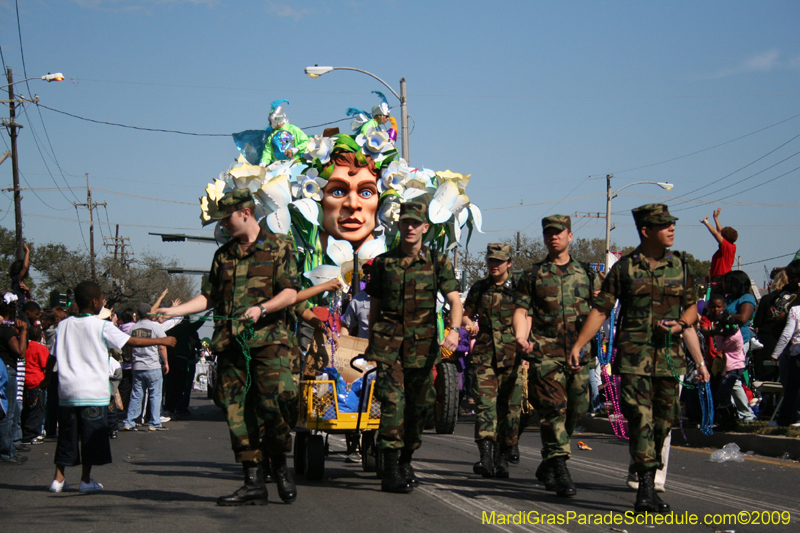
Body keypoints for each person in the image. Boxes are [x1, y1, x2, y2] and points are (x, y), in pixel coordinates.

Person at [157, 188, 300, 506]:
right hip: (232, 345)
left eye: (227, 217)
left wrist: (262, 309)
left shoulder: (279, 247)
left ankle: (278, 467)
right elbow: (210, 297)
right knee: (237, 414)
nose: (223, 224)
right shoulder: (223, 255)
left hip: (270, 345)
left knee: (273, 408)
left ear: (246, 213)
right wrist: (175, 311)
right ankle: (252, 482)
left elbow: (290, 292)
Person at [569, 204, 700, 514]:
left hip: (669, 359)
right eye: (664, 225)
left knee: (663, 423)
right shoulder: (625, 269)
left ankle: (649, 476)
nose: (671, 229)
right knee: (641, 419)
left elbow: (692, 308)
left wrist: (681, 324)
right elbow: (601, 310)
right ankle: (645, 486)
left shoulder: (681, 267)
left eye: (672, 224)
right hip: (635, 359)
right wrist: (579, 344)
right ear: (645, 231)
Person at [366, 201, 462, 493]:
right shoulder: (383, 263)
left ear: (425, 228)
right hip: (389, 346)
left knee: (419, 407)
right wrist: (372, 340)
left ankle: (406, 458)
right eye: (404, 222)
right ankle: (391, 470)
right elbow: (375, 306)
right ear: (398, 225)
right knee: (393, 404)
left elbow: (454, 300)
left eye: (415, 223)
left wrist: (455, 330)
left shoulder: (438, 262)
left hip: (423, 348)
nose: (409, 227)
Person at [50, 281, 176, 492]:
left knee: (67, 435)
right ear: (94, 301)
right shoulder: (102, 326)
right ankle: (85, 479)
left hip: (67, 391)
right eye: (101, 299)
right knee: (90, 437)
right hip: (93, 393)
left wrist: (47, 380)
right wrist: (161, 340)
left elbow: (51, 356)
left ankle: (58, 478)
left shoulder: (63, 325)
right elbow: (130, 341)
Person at [513, 215, 600, 497]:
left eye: (559, 232)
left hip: (579, 353)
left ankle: (549, 461)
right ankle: (560, 467)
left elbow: (599, 311)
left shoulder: (587, 273)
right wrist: (521, 336)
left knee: (577, 407)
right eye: (548, 233)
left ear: (570, 236)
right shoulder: (533, 274)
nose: (554, 237)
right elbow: (522, 311)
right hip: (545, 353)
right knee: (552, 408)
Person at [462, 243, 521, 480]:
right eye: (490, 261)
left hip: (512, 354)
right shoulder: (479, 287)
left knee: (509, 409)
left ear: (509, 263)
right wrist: (468, 324)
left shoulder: (518, 288)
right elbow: (467, 313)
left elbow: (528, 317)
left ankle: (502, 456)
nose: (494, 265)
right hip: (486, 352)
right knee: (486, 406)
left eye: (499, 261)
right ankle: (485, 457)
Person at [122, 303, 176, 432]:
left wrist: (133, 361)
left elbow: (130, 346)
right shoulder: (155, 327)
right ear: (150, 314)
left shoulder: (133, 329)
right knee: (155, 395)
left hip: (138, 365)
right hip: (152, 365)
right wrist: (166, 363)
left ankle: (129, 421)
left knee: (136, 394)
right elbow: (162, 346)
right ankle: (154, 423)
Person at [706, 294, 747, 430]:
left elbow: (720, 346)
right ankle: (727, 421)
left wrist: (717, 333)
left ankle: (731, 420)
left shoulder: (734, 336)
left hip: (734, 367)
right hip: (726, 366)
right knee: (723, 393)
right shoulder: (725, 333)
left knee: (723, 394)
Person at [0, 301, 28, 464]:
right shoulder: (5, 332)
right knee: (8, 413)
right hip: (8, 371)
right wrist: (23, 332)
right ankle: (7, 452)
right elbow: (20, 352)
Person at [259, 100, 309, 167]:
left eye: (271, 121)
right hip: (278, 168)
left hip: (295, 166)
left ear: (277, 119)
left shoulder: (293, 129)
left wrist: (297, 149)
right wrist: (264, 161)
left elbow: (306, 141)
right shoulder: (271, 135)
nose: (270, 124)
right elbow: (268, 151)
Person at [21, 324, 49, 444]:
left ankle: (25, 433)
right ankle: (32, 435)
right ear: (40, 335)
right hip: (37, 381)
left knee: (27, 409)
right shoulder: (40, 348)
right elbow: (45, 365)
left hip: (25, 380)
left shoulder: (25, 346)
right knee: (37, 409)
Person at [701, 208, 737, 282]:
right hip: (721, 278)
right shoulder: (731, 246)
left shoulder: (727, 246)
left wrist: (706, 222)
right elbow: (720, 232)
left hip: (721, 278)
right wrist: (716, 218)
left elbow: (716, 233)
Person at [342, 259, 372, 339]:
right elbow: (346, 326)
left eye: (372, 271)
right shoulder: (357, 300)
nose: (368, 275)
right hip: (362, 347)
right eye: (366, 272)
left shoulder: (391, 298)